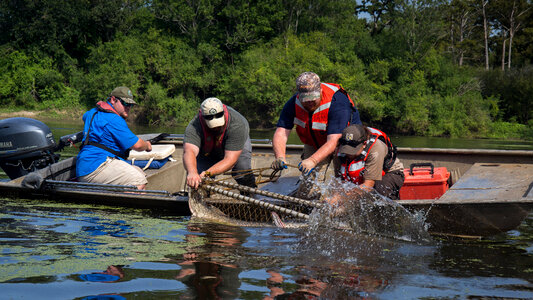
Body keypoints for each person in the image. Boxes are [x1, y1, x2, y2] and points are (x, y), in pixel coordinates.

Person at [271, 72, 362, 177]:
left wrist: (313, 160)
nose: (309, 102)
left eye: (313, 98)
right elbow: (281, 132)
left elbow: (334, 140)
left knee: (343, 179)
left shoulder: (338, 102)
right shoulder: (293, 103)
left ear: (320, 91)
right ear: (299, 95)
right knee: (309, 182)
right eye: (305, 99)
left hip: (344, 143)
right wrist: (280, 157)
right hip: (315, 141)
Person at [76, 86, 152, 190]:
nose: (128, 107)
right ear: (113, 99)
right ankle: (123, 205)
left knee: (139, 172)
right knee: (139, 180)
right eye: (125, 103)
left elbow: (84, 117)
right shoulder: (114, 119)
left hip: (84, 166)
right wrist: (147, 145)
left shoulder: (92, 113)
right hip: (96, 166)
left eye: (130, 105)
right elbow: (138, 145)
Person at [183, 97, 256, 190]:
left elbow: (230, 159)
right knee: (197, 176)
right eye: (212, 125)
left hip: (234, 147)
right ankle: (205, 193)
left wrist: (208, 173)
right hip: (207, 148)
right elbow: (189, 151)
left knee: (242, 169)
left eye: (219, 124)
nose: (216, 127)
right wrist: (192, 172)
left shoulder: (237, 124)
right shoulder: (194, 125)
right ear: (203, 117)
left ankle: (249, 192)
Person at [335, 124, 404, 200]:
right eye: (346, 149)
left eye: (352, 150)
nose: (348, 153)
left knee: (380, 189)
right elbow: (339, 181)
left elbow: (368, 185)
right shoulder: (339, 149)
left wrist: (342, 198)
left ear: (364, 144)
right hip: (363, 175)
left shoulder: (376, 149)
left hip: (390, 173)